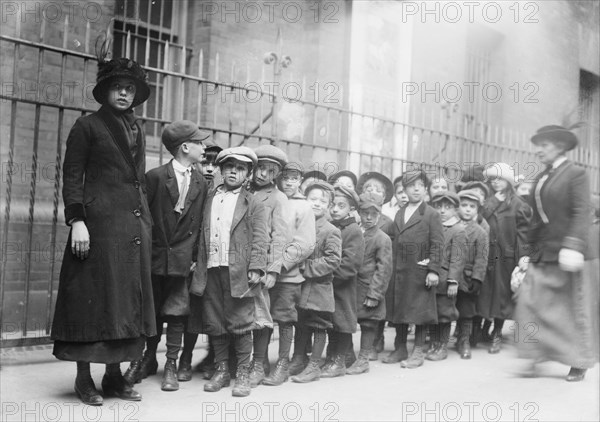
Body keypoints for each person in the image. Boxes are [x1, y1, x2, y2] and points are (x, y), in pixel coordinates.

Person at [51, 55, 155, 405]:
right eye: (117, 87)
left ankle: (113, 377)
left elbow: (137, 179)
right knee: (91, 300)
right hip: (97, 226)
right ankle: (84, 378)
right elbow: (72, 175)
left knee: (124, 303)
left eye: (129, 89)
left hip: (131, 228)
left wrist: (146, 223)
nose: (124, 94)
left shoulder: (136, 128)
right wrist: (76, 221)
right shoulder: (88, 126)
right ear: (105, 91)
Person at [124, 121, 209, 391]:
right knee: (149, 313)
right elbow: (142, 218)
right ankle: (144, 360)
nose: (204, 147)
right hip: (155, 257)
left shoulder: (200, 181)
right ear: (185, 147)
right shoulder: (156, 177)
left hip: (183, 260)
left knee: (177, 313)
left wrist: (195, 256)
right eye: (200, 142)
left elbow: (200, 225)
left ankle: (170, 364)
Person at [515, 125, 598, 382]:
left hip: (572, 255)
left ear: (560, 147)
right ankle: (535, 353)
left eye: (545, 145)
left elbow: (581, 212)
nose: (538, 150)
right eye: (537, 145)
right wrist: (528, 251)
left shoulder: (577, 174)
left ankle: (579, 361)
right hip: (545, 252)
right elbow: (536, 219)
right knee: (530, 303)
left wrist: (572, 246)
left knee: (573, 310)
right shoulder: (541, 178)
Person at [188, 146, 269, 397]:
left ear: (248, 174)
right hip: (211, 267)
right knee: (215, 321)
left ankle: (243, 372)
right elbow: (199, 230)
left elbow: (260, 237)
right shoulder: (210, 198)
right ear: (222, 170)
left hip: (239, 271)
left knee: (241, 321)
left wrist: (256, 266)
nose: (234, 172)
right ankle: (222, 369)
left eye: (240, 168)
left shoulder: (253, 202)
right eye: (229, 167)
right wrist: (195, 260)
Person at [382, 170, 444, 369]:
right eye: (411, 186)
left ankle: (418, 351)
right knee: (400, 308)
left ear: (425, 189)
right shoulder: (400, 212)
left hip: (420, 269)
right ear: (404, 190)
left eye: (420, 185)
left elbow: (438, 243)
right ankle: (400, 347)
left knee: (419, 312)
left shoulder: (431, 214)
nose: (416, 189)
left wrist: (434, 269)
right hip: (400, 270)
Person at [263, 162, 316, 385]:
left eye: (294, 178)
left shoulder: (303, 207)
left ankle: (283, 363)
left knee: (285, 319)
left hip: (288, 274)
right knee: (262, 319)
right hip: (264, 272)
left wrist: (279, 265)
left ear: (301, 181)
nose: (289, 182)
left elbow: (304, 244)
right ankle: (261, 361)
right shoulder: (270, 199)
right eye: (285, 177)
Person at [246, 144, 290, 388]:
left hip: (261, 266)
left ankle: (259, 363)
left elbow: (280, 236)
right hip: (240, 263)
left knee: (260, 315)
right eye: (259, 168)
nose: (262, 174)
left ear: (276, 175)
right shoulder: (244, 191)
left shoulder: (278, 198)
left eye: (269, 171)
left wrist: (272, 269)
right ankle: (237, 361)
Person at [290, 182, 342, 383]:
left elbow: (333, 260)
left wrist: (305, 267)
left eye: (323, 201)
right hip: (301, 286)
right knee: (301, 323)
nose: (317, 203)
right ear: (305, 201)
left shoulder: (331, 230)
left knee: (319, 324)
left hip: (320, 287)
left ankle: (313, 366)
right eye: (313, 199)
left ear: (329, 205)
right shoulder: (299, 225)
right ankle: (298, 359)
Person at [478, 162, 532, 354]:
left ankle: (497, 333)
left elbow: (523, 234)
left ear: (509, 181)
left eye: (500, 179)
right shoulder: (487, 201)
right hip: (487, 255)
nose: (496, 182)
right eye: (493, 179)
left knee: (501, 295)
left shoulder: (519, 205)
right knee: (484, 293)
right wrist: (492, 201)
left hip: (506, 257)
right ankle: (483, 328)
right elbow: (480, 219)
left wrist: (523, 256)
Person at [346, 191, 392, 373]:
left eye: (374, 214)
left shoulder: (382, 238)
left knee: (368, 323)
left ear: (379, 214)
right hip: (351, 287)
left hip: (368, 288)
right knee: (347, 321)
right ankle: (348, 355)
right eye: (365, 213)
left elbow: (384, 269)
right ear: (358, 212)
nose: (369, 217)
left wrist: (375, 294)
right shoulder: (354, 232)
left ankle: (364, 359)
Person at [427, 192, 467, 362]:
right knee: (432, 312)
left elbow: (457, 259)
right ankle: (434, 343)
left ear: (455, 209)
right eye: (438, 206)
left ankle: (442, 345)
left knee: (444, 313)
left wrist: (453, 281)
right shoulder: (431, 226)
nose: (442, 211)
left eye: (447, 207)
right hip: (431, 278)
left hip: (445, 280)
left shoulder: (458, 230)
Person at [455, 189, 489, 359]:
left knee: (466, 310)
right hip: (450, 276)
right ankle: (439, 340)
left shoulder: (480, 233)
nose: (467, 209)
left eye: (472, 206)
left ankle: (464, 340)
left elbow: (482, 258)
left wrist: (477, 278)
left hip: (467, 277)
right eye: (464, 205)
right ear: (457, 207)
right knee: (445, 307)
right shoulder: (450, 227)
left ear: (477, 210)